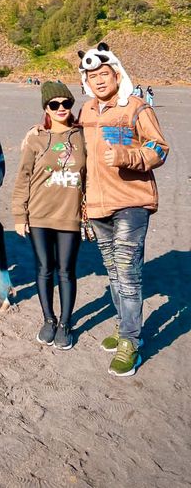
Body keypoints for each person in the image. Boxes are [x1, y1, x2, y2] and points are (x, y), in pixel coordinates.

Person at [77, 42, 169, 376]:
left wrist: (128, 156)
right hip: (97, 204)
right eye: (92, 76)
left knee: (128, 273)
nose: (99, 80)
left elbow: (159, 148)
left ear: (116, 74)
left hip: (132, 200)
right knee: (113, 271)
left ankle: (132, 340)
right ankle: (123, 327)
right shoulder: (86, 111)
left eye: (104, 73)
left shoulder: (136, 107)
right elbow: (79, 154)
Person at [12, 82, 85, 350]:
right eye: (54, 105)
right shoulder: (36, 138)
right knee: (44, 269)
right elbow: (23, 178)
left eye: (66, 103)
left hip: (70, 215)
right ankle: (48, 319)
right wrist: (20, 214)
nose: (61, 108)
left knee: (66, 270)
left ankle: (65, 323)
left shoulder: (82, 137)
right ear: (46, 108)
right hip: (39, 214)